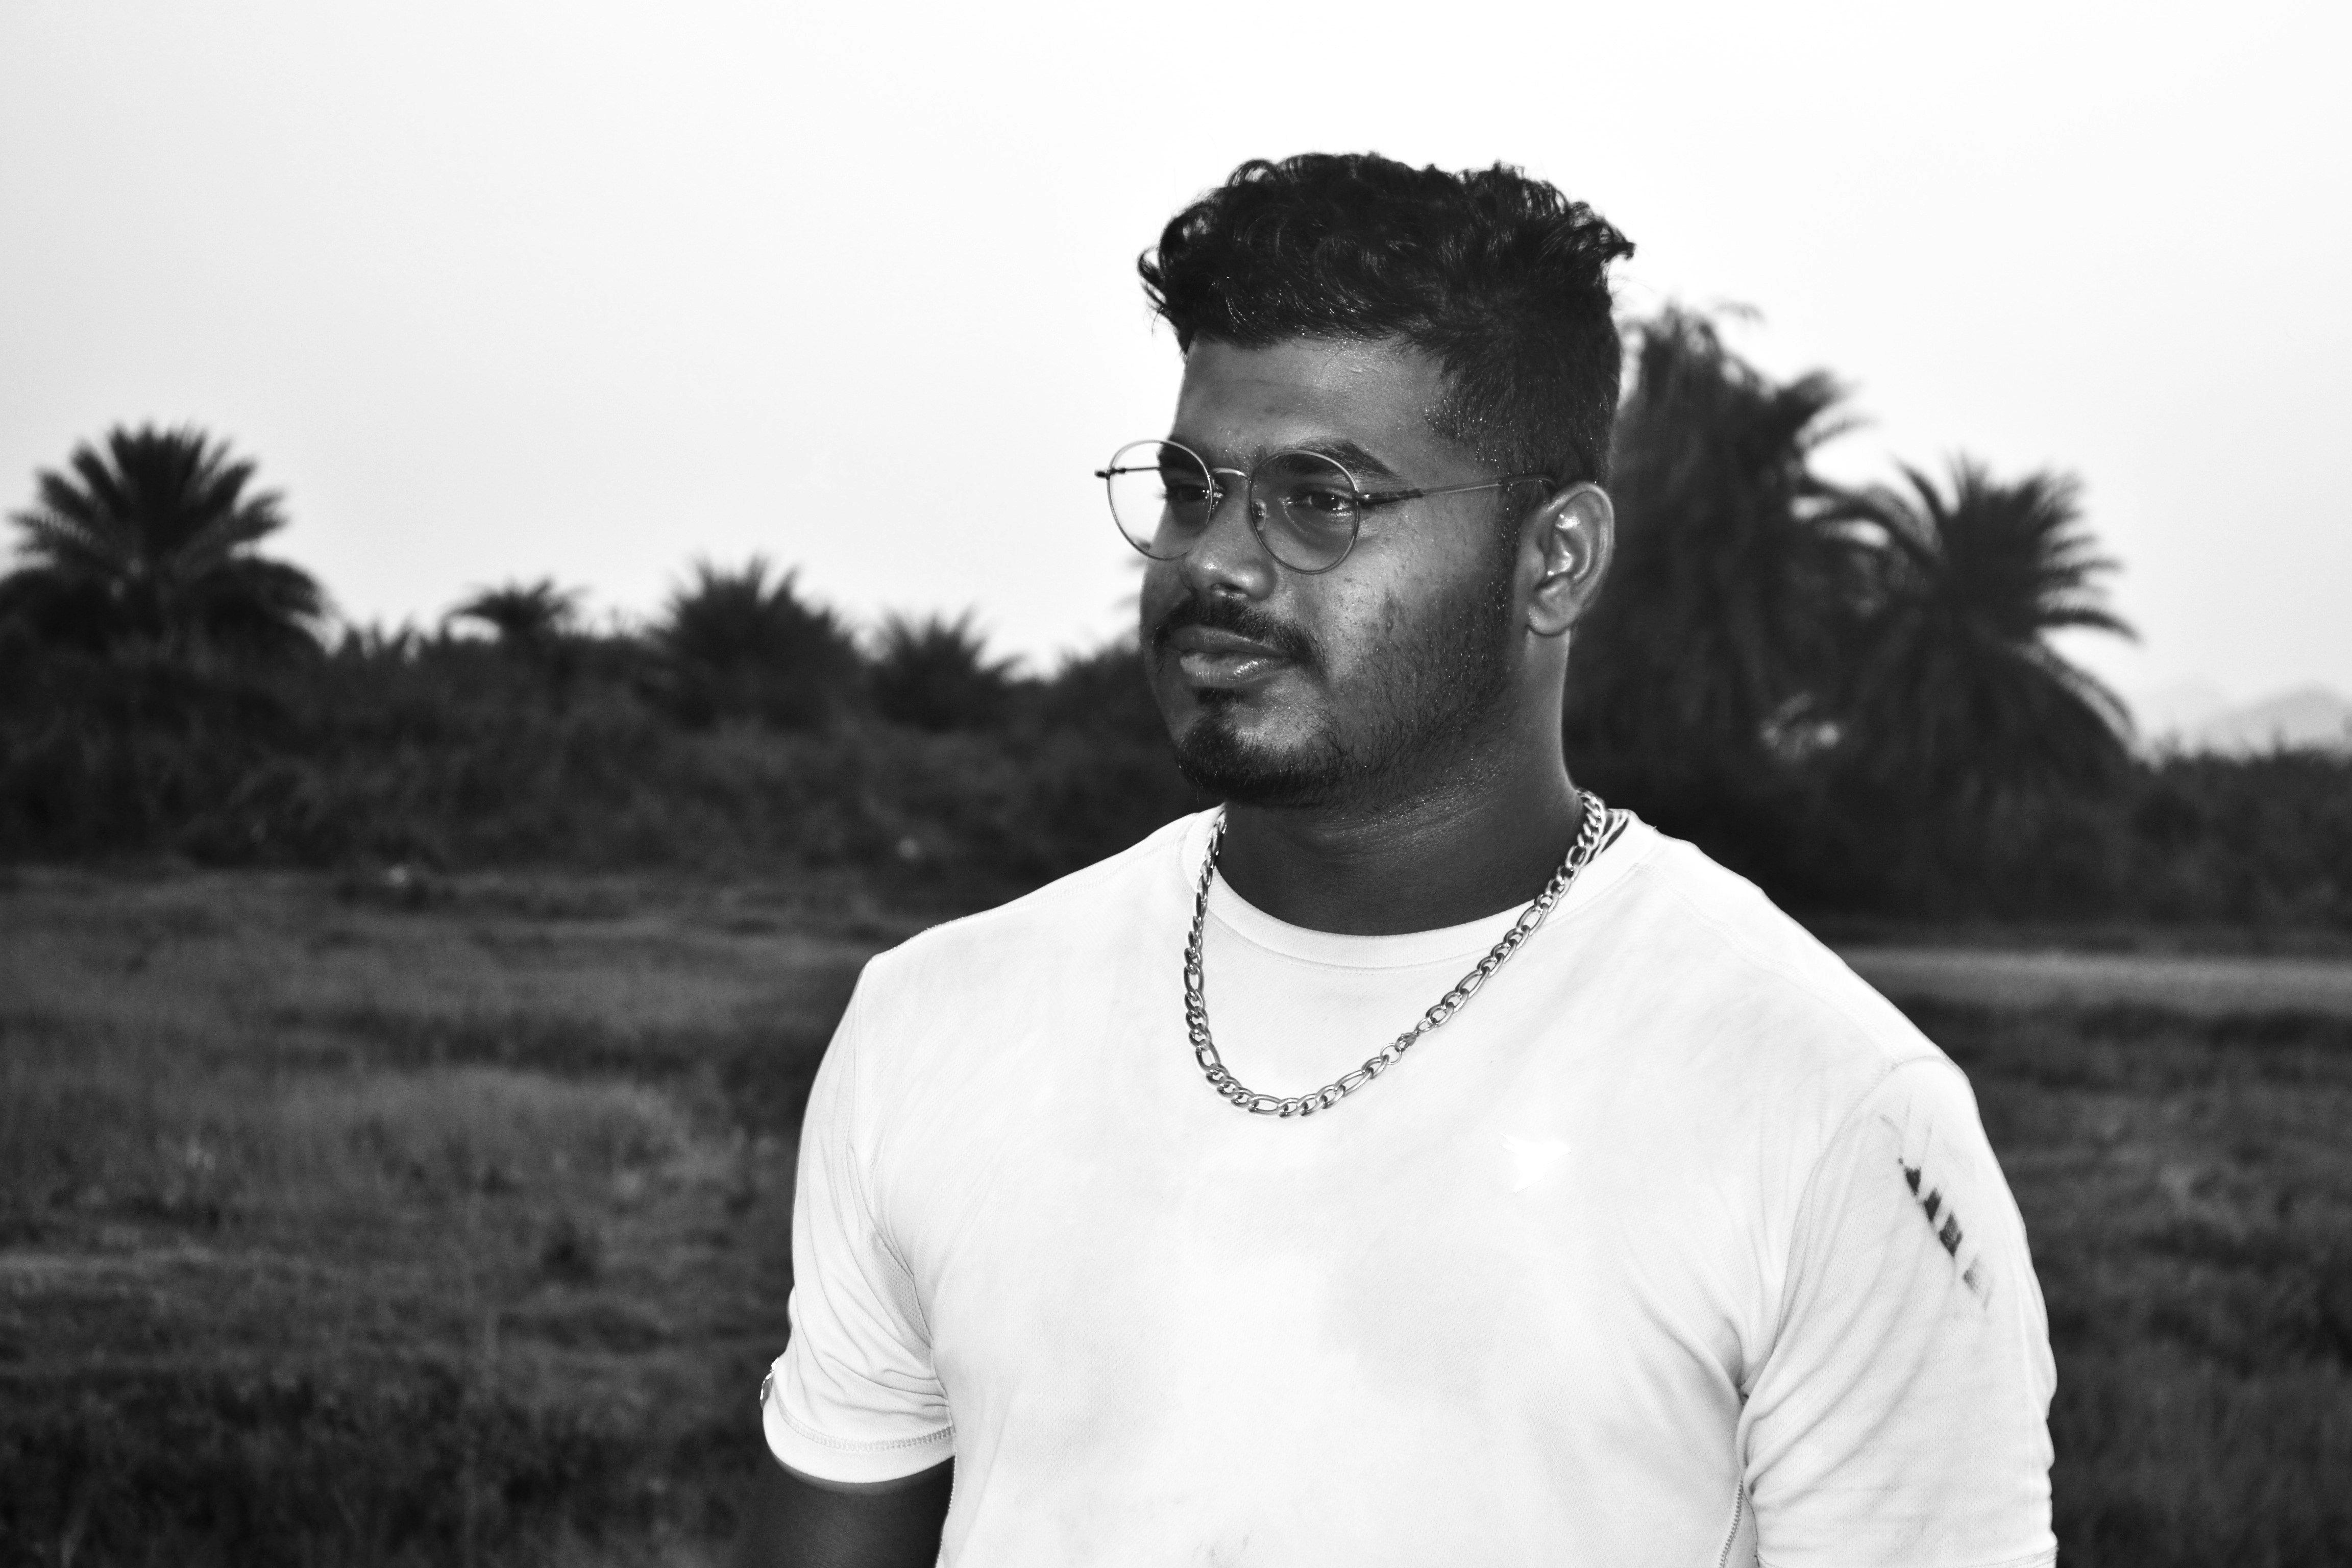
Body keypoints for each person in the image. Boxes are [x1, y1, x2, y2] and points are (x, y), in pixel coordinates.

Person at [742, 153, 2056, 1568]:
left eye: (1321, 499)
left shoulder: (1831, 1112)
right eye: (1191, 487)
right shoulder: (937, 1022)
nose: (1218, 563)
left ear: (1554, 560)